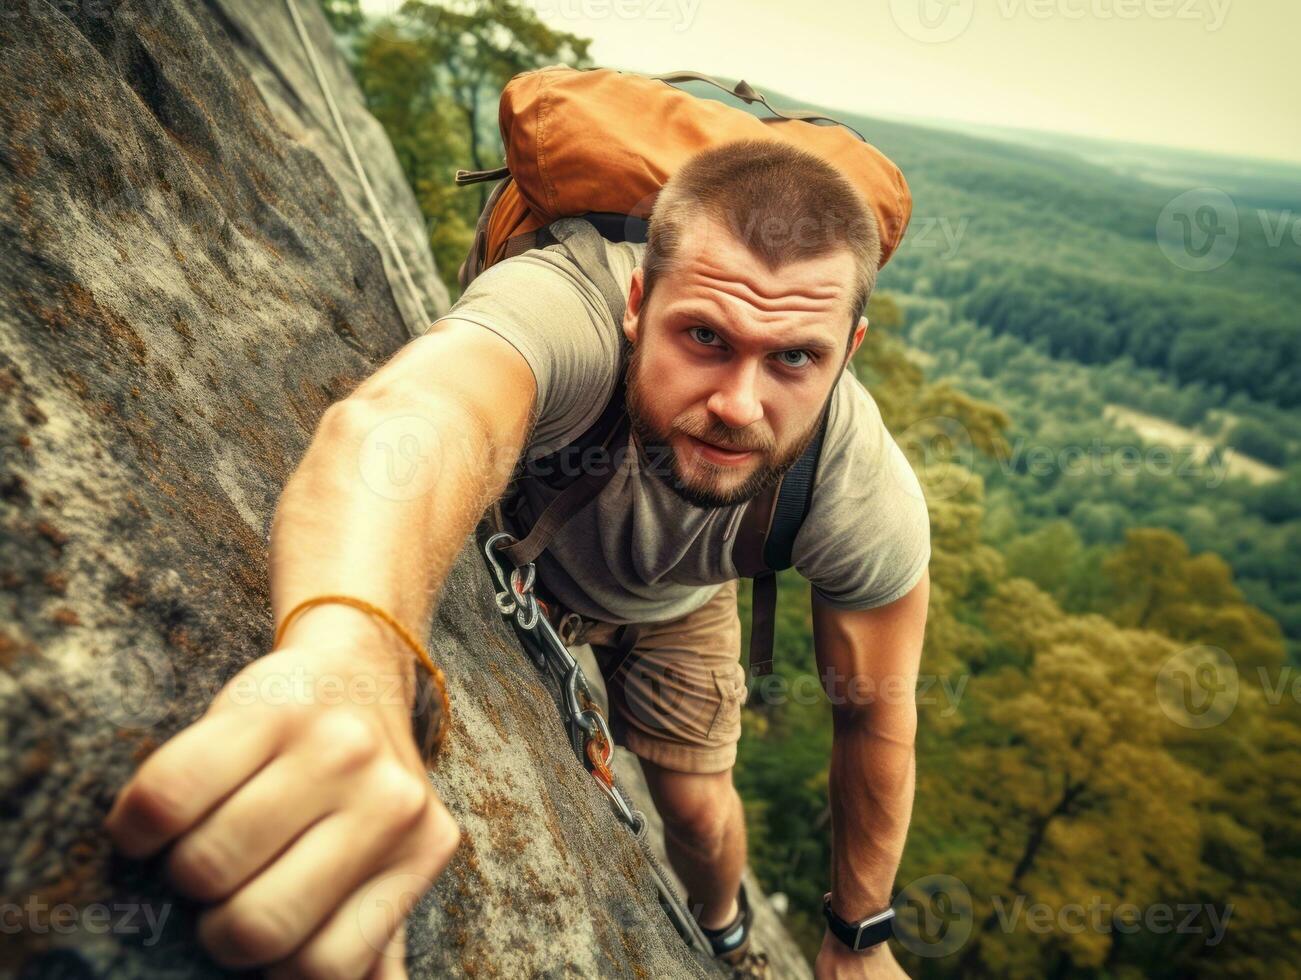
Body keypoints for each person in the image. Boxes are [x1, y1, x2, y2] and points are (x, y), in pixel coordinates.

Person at [104, 138, 929, 980]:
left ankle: (725, 937)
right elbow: (415, 422)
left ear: (848, 348)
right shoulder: (566, 301)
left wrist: (857, 940)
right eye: (705, 337)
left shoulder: (858, 488)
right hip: (524, 532)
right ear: (637, 301)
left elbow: (876, 712)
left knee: (699, 810)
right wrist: (345, 662)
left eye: (794, 356)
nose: (738, 404)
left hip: (680, 602)